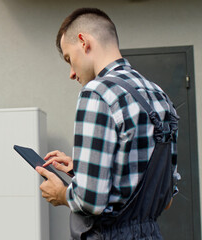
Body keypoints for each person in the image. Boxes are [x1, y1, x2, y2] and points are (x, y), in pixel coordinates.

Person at [35, 8, 180, 239]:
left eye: (68, 59)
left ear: (83, 42)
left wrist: (61, 194)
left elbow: (90, 201)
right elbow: (166, 199)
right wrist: (80, 169)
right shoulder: (159, 95)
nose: (71, 73)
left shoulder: (97, 92)